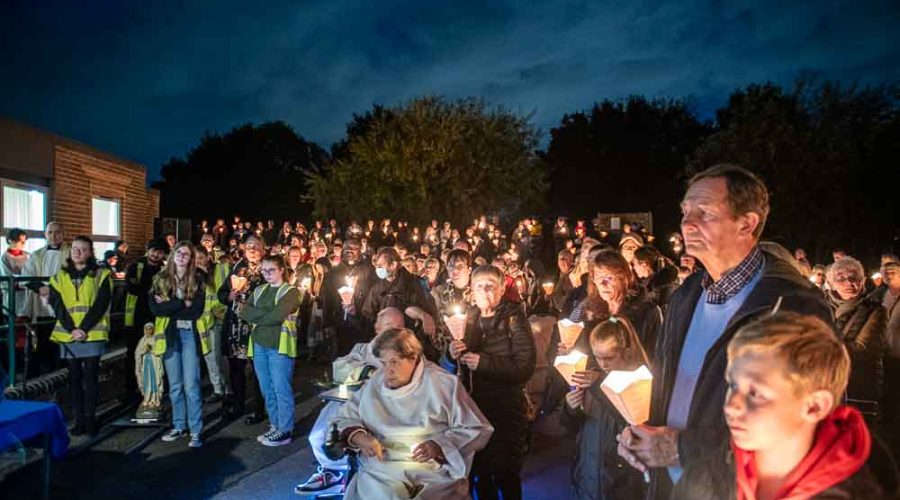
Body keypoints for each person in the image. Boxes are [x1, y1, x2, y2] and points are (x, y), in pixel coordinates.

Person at [616, 164, 832, 498]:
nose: (687, 223)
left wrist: (682, 450)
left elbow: (802, 437)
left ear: (747, 223)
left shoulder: (792, 307)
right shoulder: (686, 296)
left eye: (705, 212)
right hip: (674, 486)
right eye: (686, 211)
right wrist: (643, 434)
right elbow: (672, 388)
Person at [680, 312, 883, 498]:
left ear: (815, 406)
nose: (732, 406)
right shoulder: (708, 475)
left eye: (755, 393)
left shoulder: (861, 493)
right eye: (733, 385)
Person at [335, 328, 494, 499]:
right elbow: (345, 416)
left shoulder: (443, 384)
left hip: (429, 470)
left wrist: (438, 445)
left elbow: (477, 428)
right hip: (380, 469)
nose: (387, 371)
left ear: (413, 358)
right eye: (383, 363)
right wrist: (359, 437)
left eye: (394, 362)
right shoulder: (375, 383)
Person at [442, 265, 536, 500]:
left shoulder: (513, 319)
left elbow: (525, 367)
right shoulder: (468, 318)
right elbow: (448, 367)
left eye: (491, 286)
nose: (485, 291)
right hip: (473, 409)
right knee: (480, 475)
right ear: (472, 290)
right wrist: (451, 355)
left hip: (505, 409)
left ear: (502, 288)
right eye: (479, 286)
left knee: (506, 473)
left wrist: (485, 363)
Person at [294, 307, 406, 496]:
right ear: (377, 328)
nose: (393, 332)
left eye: (398, 327)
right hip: (349, 400)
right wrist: (365, 371)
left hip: (384, 408)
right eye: (388, 326)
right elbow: (340, 367)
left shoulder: (410, 353)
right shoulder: (364, 349)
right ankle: (333, 472)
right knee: (319, 435)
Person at [562, 317, 649, 500]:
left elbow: (632, 423)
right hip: (587, 474)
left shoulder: (639, 384)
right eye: (597, 357)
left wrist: (598, 385)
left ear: (626, 352)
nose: (602, 364)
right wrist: (571, 407)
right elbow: (571, 428)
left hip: (618, 484)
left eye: (609, 358)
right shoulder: (593, 378)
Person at [48, 236, 111, 436]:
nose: (77, 252)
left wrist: (83, 328)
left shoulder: (101, 275)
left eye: (82, 249)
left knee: (91, 376)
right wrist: (71, 329)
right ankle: (79, 419)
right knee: (74, 377)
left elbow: (101, 304)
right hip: (69, 335)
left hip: (92, 332)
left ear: (90, 252)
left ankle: (91, 418)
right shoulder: (59, 277)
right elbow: (57, 305)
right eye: (74, 249)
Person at [149, 241, 207, 448]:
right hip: (169, 335)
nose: (182, 256)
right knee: (174, 386)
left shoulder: (198, 278)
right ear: (173, 255)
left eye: (187, 254)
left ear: (191, 259)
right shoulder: (160, 279)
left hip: (189, 334)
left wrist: (170, 306)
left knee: (191, 385)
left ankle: (196, 430)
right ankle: (179, 426)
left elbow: (197, 310)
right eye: (179, 252)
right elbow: (156, 310)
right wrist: (182, 303)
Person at [240, 254, 301, 447]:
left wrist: (257, 316)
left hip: (280, 346)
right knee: (267, 389)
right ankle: (275, 424)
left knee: (281, 388)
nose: (266, 274)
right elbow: (244, 311)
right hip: (259, 345)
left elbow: (277, 316)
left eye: (271, 270)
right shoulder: (259, 290)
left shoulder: (290, 292)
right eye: (263, 270)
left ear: (281, 269)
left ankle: (285, 430)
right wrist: (265, 315)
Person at [825, 257, 887, 422]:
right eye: (840, 278)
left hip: (858, 386)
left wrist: (819, 349)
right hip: (826, 387)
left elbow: (864, 348)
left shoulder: (876, 311)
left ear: (863, 281)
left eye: (854, 277)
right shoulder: (822, 307)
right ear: (830, 283)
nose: (848, 282)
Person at [218, 235, 267, 423]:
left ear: (263, 249)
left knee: (258, 370)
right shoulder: (237, 267)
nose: (253, 249)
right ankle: (238, 406)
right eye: (249, 246)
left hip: (257, 326)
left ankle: (259, 409)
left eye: (257, 246)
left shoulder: (269, 267)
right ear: (243, 249)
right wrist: (229, 296)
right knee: (236, 368)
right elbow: (222, 293)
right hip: (236, 327)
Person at [22, 222, 70, 376]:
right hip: (41, 304)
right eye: (50, 232)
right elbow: (25, 276)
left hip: (64, 303)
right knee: (43, 340)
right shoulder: (37, 255)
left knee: (62, 343)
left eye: (57, 232)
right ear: (45, 234)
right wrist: (41, 288)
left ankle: (61, 374)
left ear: (63, 234)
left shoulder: (71, 253)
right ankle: (43, 376)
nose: (53, 236)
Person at [123, 238, 166, 400]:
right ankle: (131, 390)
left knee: (157, 353)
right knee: (134, 354)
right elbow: (131, 288)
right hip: (135, 318)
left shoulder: (165, 270)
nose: (156, 254)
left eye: (160, 251)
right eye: (154, 250)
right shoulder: (136, 267)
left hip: (157, 318)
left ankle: (156, 389)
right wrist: (150, 291)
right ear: (148, 250)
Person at [361, 246, 437, 337]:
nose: (378, 269)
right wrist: (379, 324)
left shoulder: (414, 284)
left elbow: (427, 308)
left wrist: (423, 316)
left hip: (408, 337)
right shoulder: (377, 288)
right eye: (377, 266)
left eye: (381, 265)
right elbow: (367, 313)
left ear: (393, 265)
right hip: (383, 338)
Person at [321, 237, 377, 356]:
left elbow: (374, 297)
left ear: (360, 250)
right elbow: (327, 298)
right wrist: (327, 323)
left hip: (362, 323)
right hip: (339, 321)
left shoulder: (370, 271)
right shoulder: (333, 273)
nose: (349, 250)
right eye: (346, 247)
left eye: (353, 248)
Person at [632, 246, 679, 315]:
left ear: (644, 264)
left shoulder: (667, 286)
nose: (634, 267)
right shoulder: (642, 286)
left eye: (635, 264)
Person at [1, 228, 30, 317]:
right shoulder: (5, 257)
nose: (23, 244)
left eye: (24, 241)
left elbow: (31, 272)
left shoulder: (27, 256)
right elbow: (6, 277)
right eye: (21, 241)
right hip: (12, 295)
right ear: (11, 240)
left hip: (26, 295)